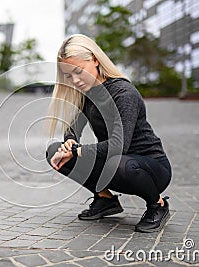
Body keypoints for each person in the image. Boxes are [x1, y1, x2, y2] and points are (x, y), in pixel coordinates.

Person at [45, 34, 172, 233]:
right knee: (54, 150)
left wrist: (77, 150)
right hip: (116, 163)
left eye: (79, 71)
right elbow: (72, 128)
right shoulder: (88, 94)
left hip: (149, 168)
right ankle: (105, 199)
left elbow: (118, 146)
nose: (75, 80)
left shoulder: (123, 92)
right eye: (69, 76)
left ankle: (158, 205)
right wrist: (69, 142)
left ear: (95, 59)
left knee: (116, 161)